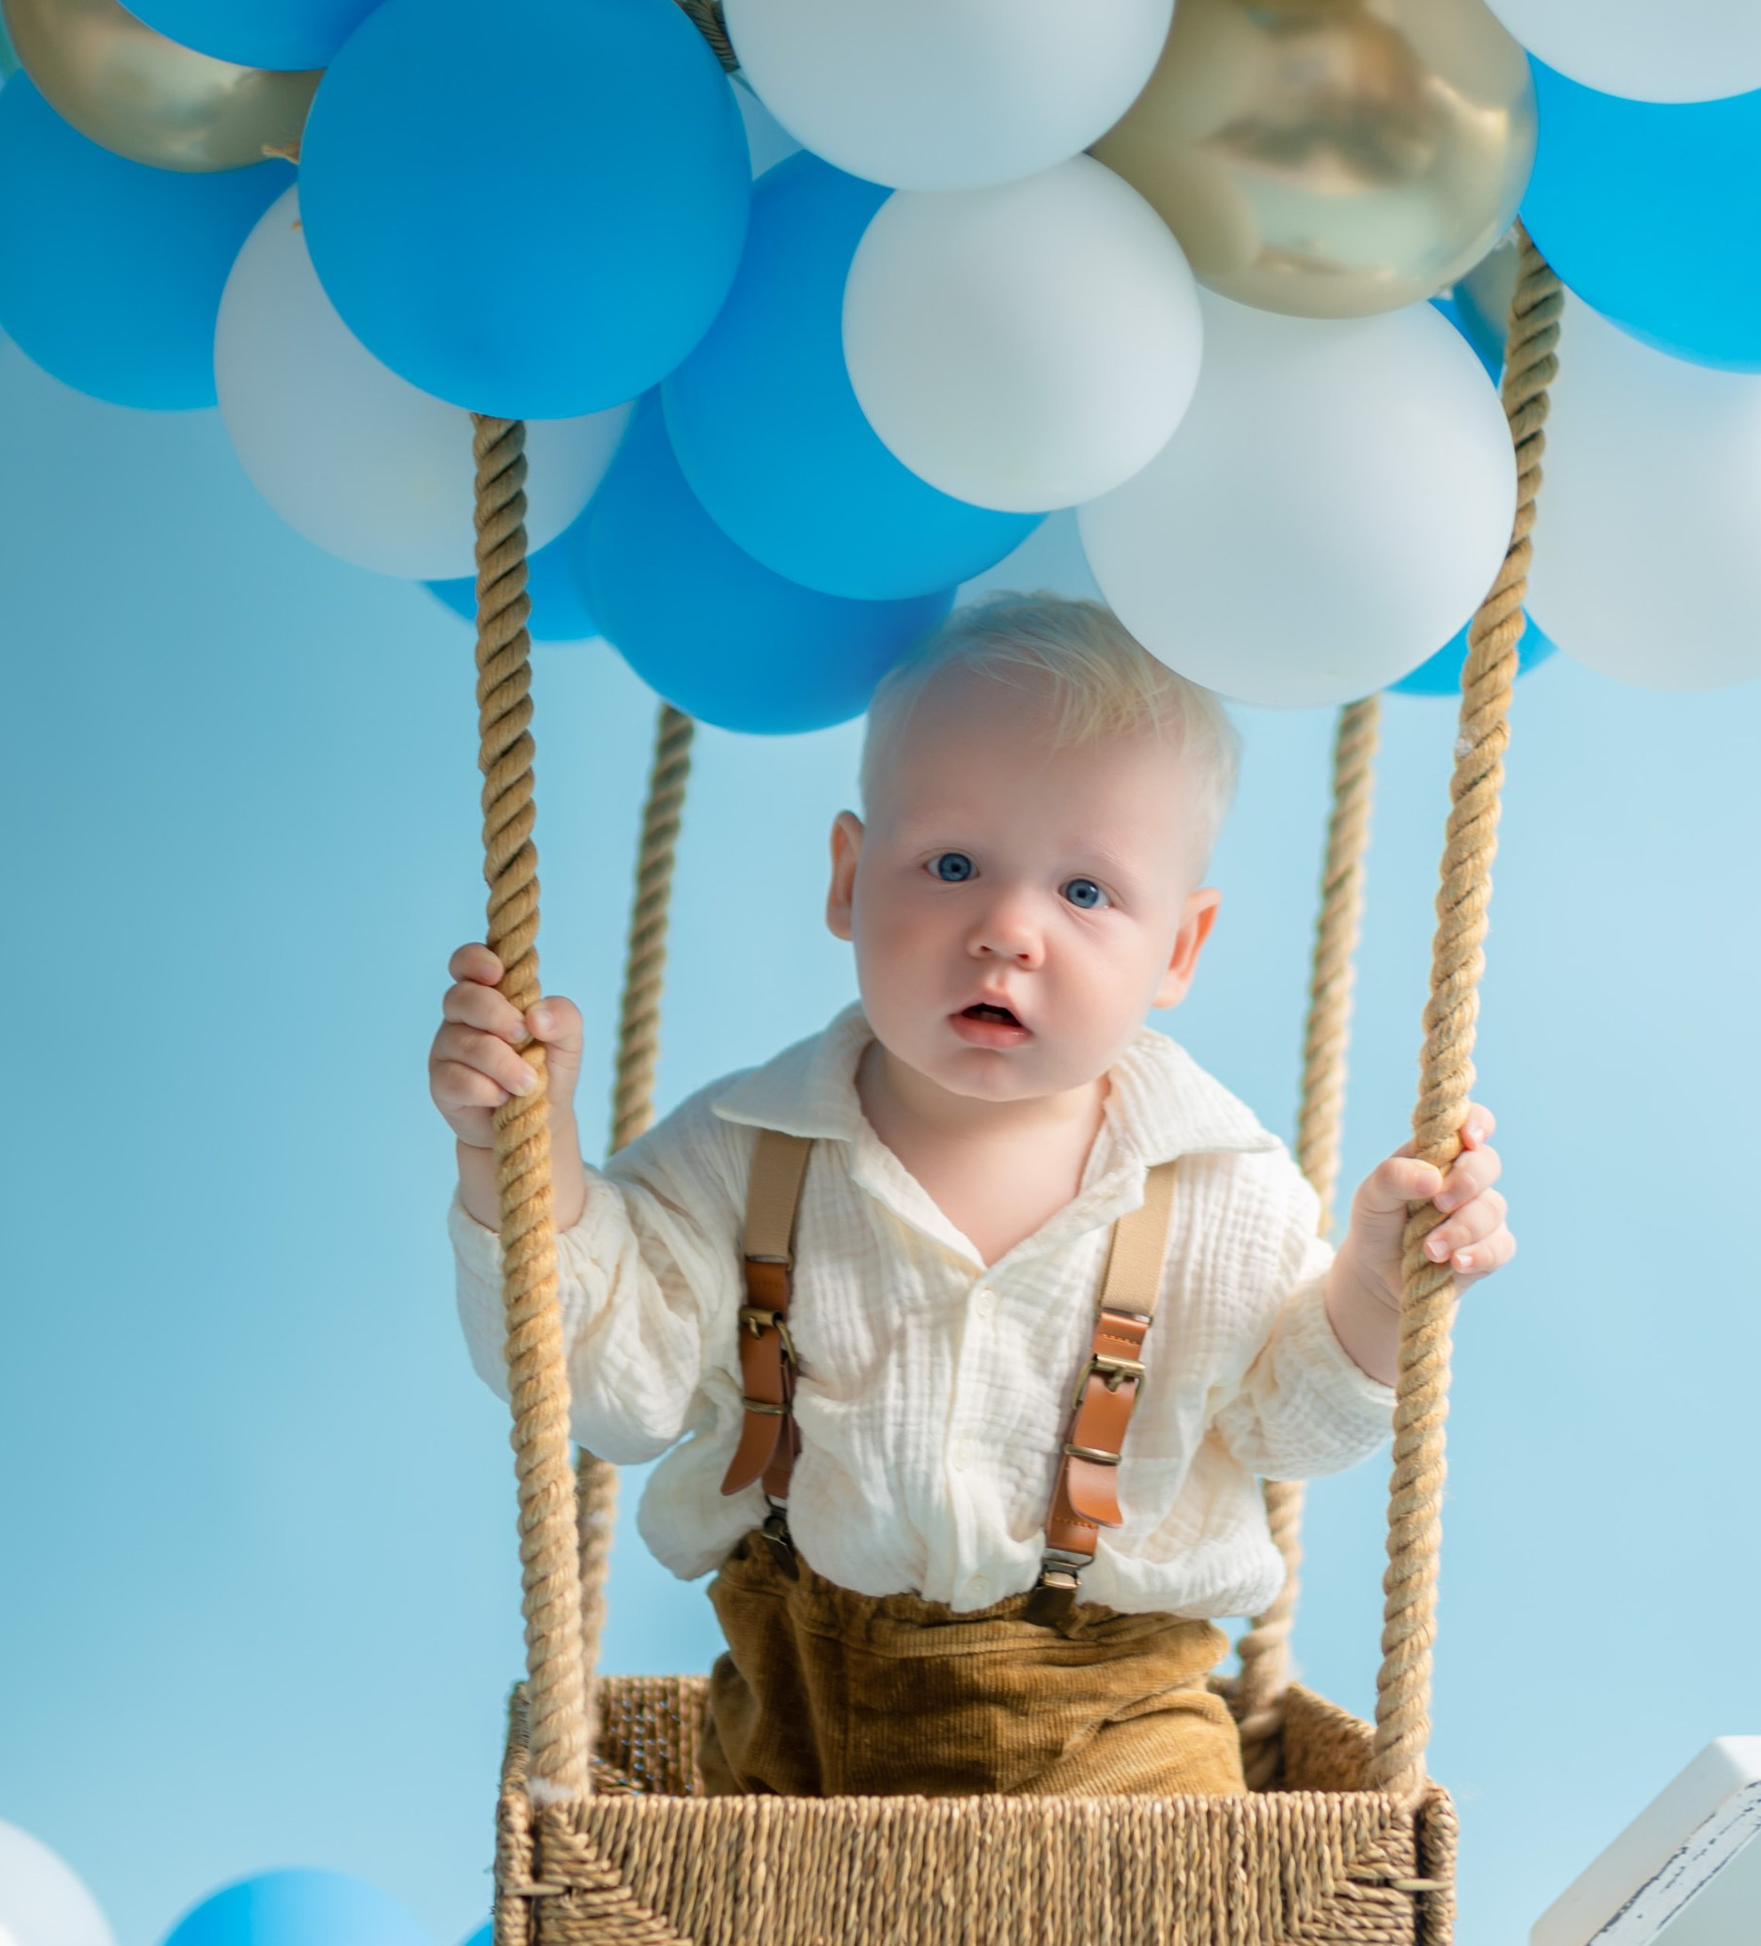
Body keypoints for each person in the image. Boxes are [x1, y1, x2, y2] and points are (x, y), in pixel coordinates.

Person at [431, 595, 1511, 1798]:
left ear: (1180, 951)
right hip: (803, 1706)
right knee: (761, 1942)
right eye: (950, 865)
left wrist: (1371, 1283)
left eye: (1087, 893)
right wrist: (520, 1164)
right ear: (848, 879)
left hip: (1119, 1717)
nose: (1007, 930)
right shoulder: (746, 1148)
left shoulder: (1216, 1181)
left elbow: (1289, 1421)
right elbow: (608, 1383)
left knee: (1168, 1929)